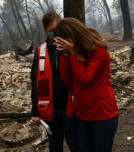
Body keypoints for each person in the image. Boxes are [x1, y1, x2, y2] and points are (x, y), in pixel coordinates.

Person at [54, 18, 119, 152]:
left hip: (102, 113)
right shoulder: (72, 53)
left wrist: (72, 53)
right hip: (83, 113)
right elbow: (67, 80)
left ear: (73, 36)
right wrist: (66, 55)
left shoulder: (98, 50)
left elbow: (84, 80)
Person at [30, 12, 79, 152]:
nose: (55, 34)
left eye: (57, 30)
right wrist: (35, 110)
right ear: (45, 30)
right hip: (50, 110)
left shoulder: (70, 46)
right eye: (51, 31)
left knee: (75, 143)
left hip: (71, 106)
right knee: (55, 145)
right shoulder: (41, 51)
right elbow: (35, 82)